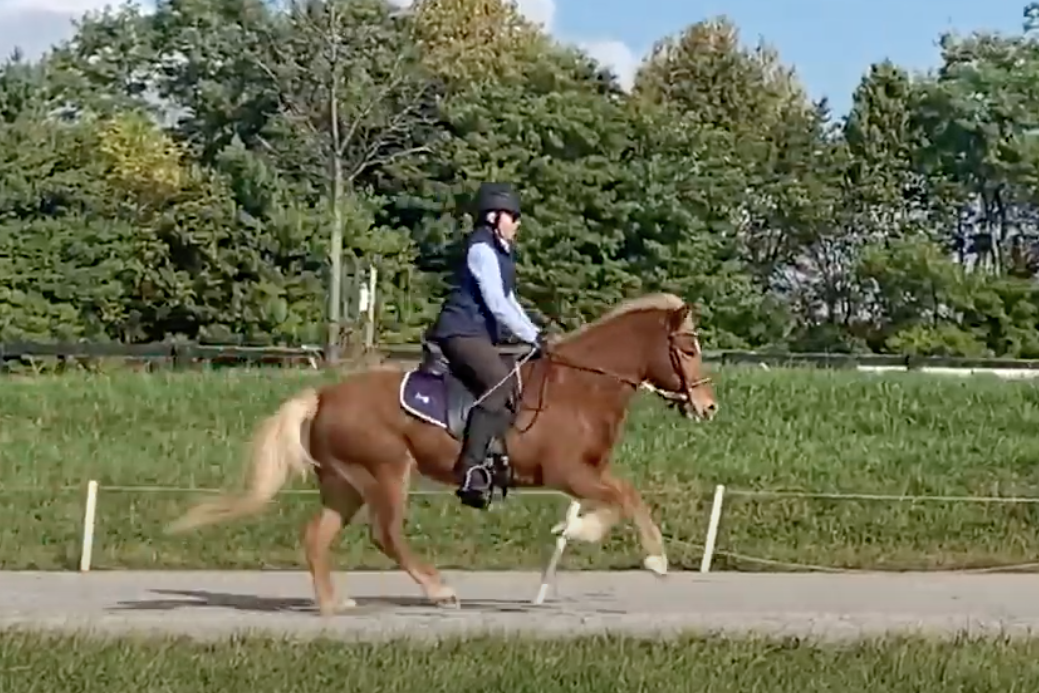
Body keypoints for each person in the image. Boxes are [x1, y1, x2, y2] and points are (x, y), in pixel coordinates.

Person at [428, 182, 544, 509]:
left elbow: (510, 300)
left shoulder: (501, 252)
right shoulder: (480, 249)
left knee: (515, 389)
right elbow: (496, 303)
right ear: (494, 217)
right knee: (500, 381)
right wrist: (530, 337)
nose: (518, 223)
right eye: (513, 216)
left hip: (478, 334)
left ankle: (494, 462)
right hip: (460, 332)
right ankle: (469, 469)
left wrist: (536, 332)